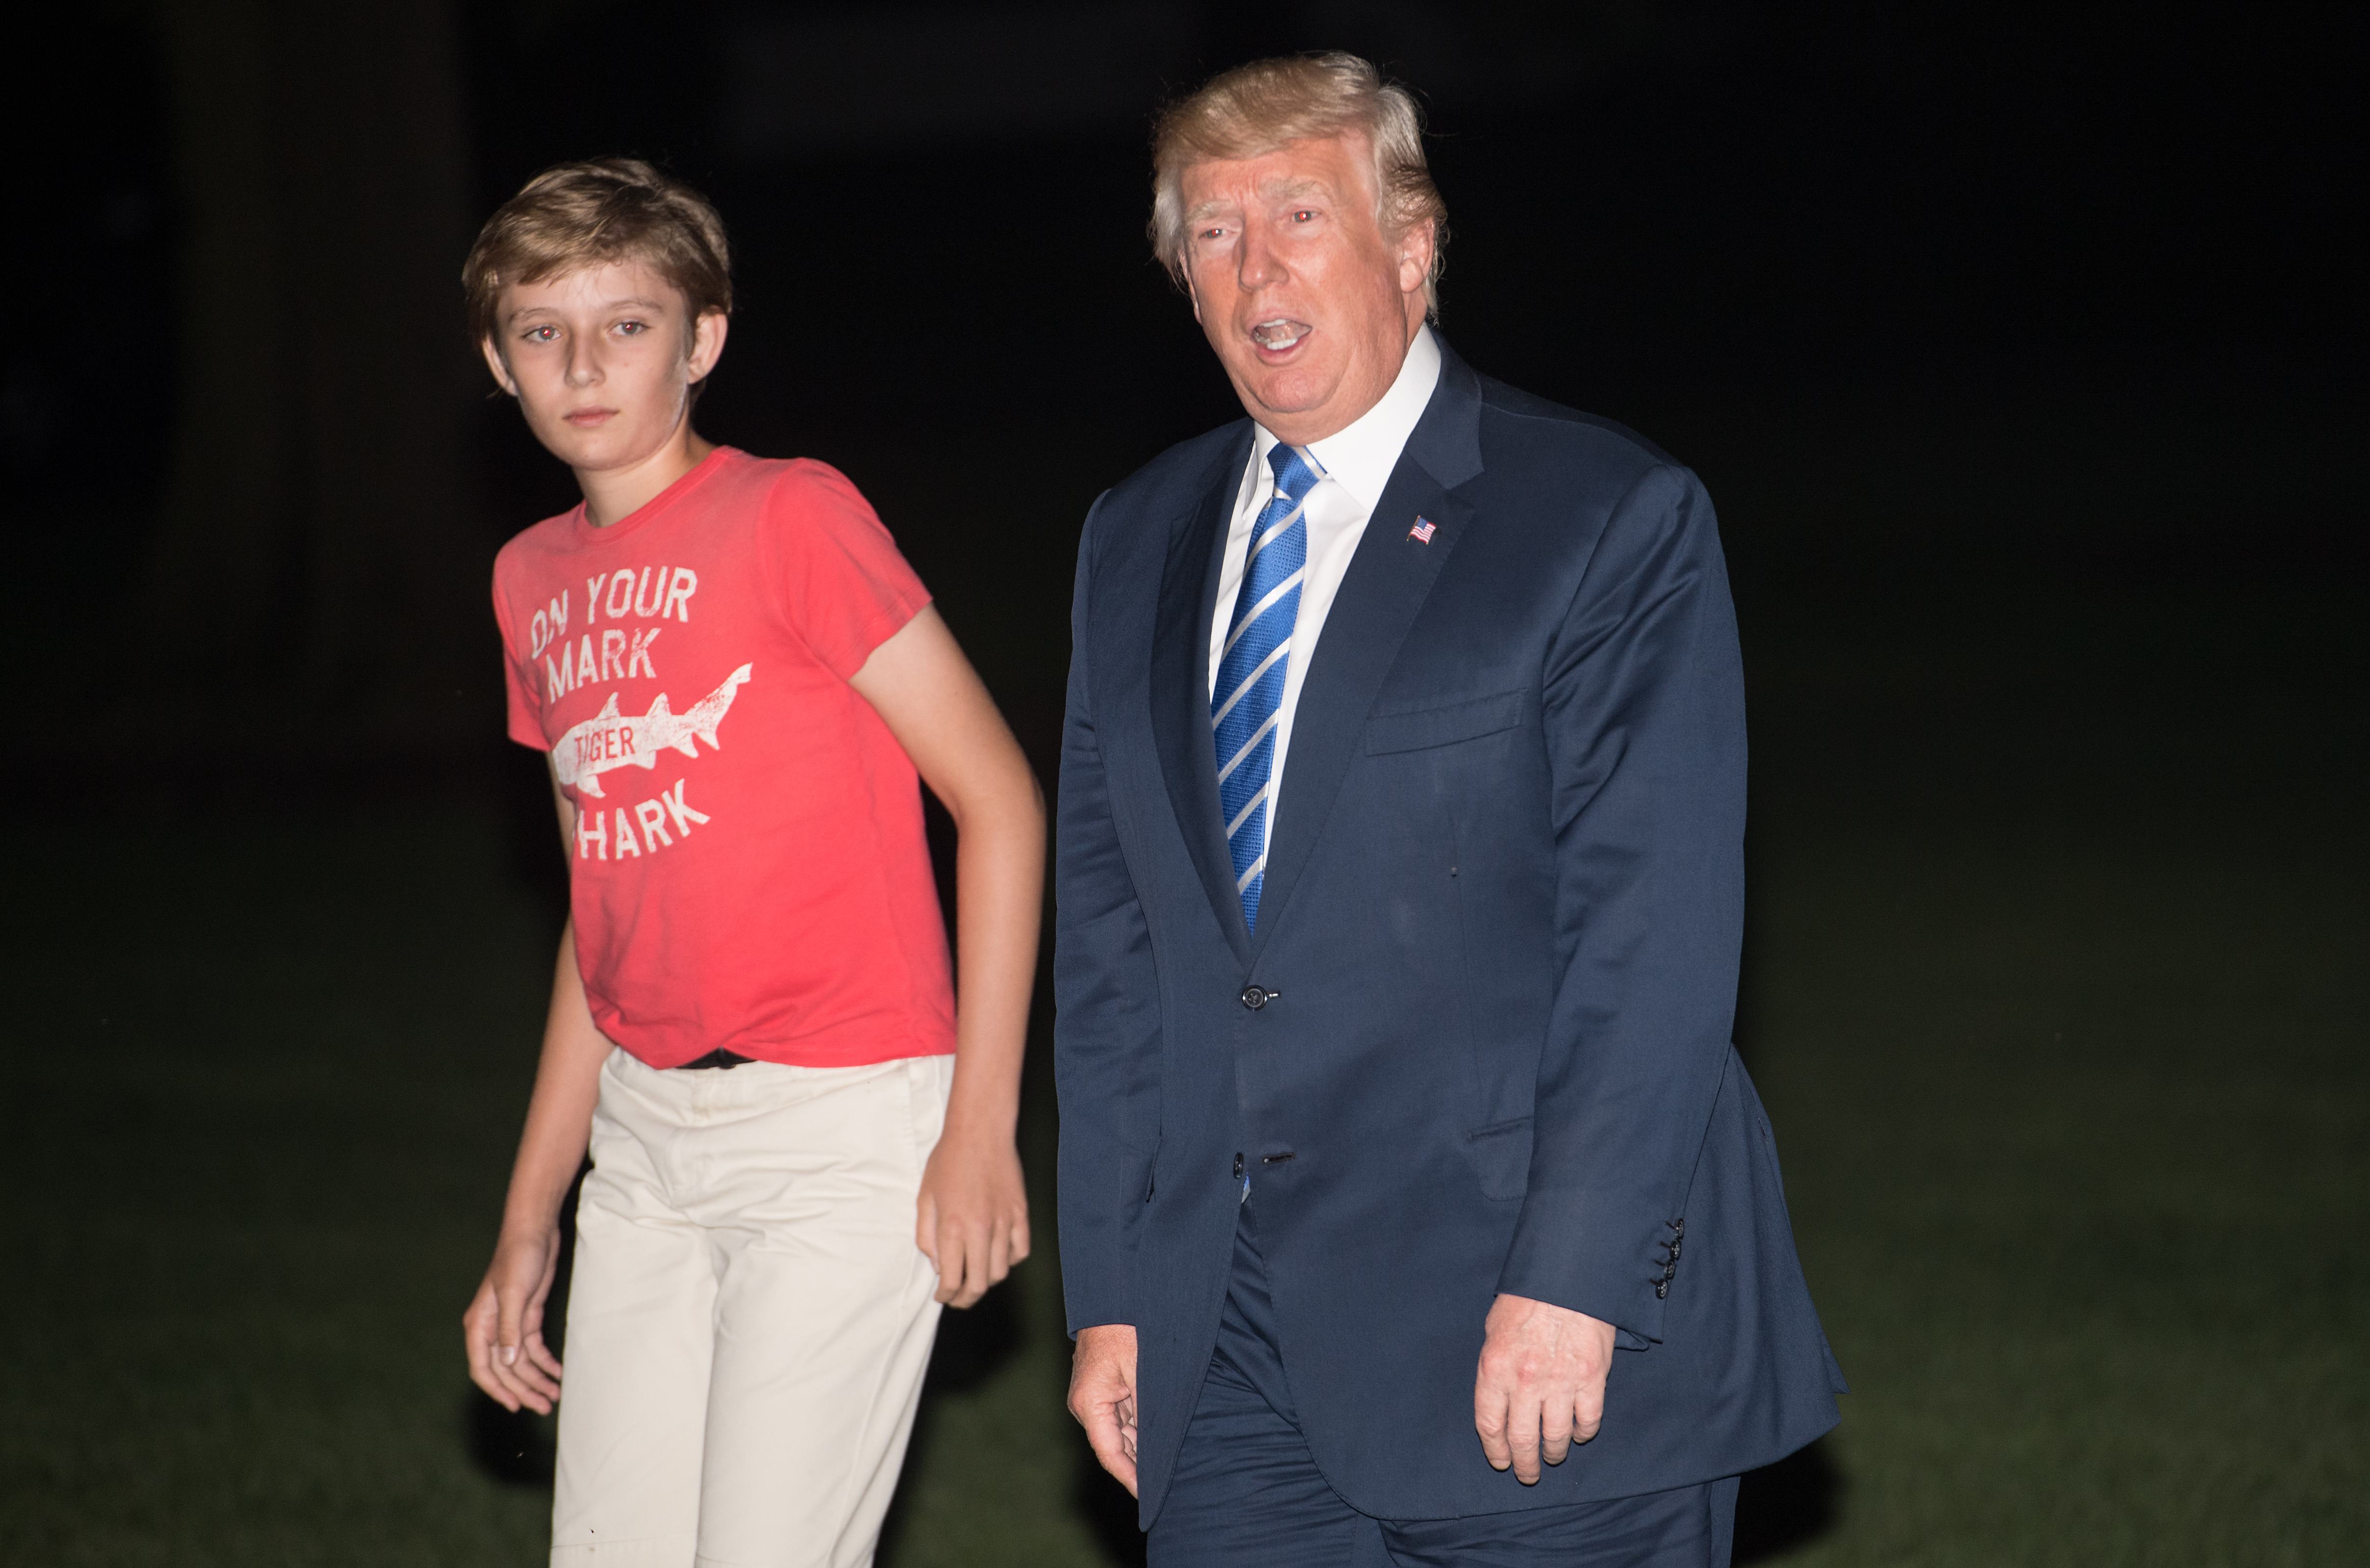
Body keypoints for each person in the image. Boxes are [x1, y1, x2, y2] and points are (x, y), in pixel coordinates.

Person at [1056, 55, 1844, 1567]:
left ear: (1410, 247)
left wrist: (1576, 1283)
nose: (1257, 269)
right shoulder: (1135, 537)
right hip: (1224, 1356)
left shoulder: (1601, 514)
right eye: (1213, 235)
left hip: (1528, 1339)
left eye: (1301, 216)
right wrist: (1112, 1290)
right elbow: (1108, 955)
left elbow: (1657, 935)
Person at [457, 159, 1044, 1568]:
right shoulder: (528, 580)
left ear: (704, 338)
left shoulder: (794, 517)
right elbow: (598, 915)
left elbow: (1002, 801)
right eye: (543, 332)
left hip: (841, 1133)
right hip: (648, 1150)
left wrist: (979, 1131)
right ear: (496, 361)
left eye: (628, 324)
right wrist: (530, 1214)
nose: (584, 365)